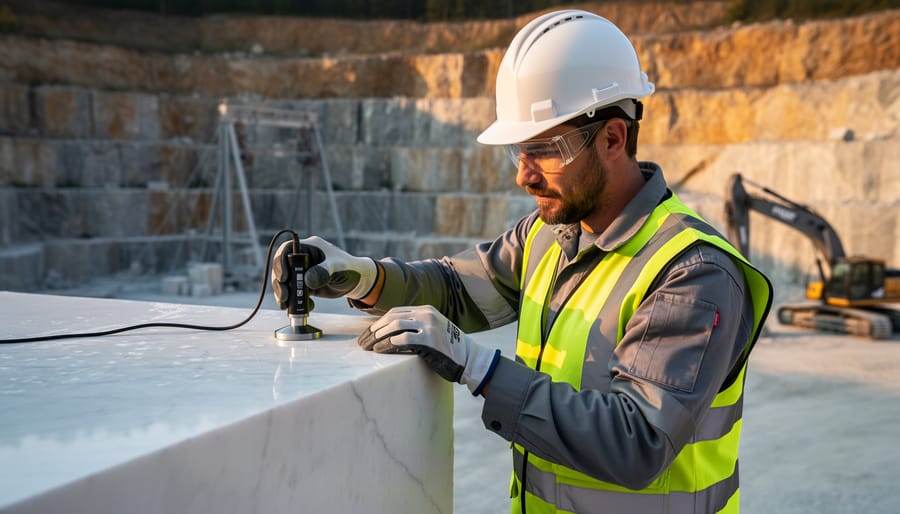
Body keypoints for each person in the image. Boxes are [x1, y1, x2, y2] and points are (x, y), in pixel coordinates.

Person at [272, 9, 772, 514]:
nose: (524, 176)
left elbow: (637, 442)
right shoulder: (549, 236)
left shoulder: (692, 271)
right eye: (518, 151)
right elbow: (456, 289)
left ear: (614, 138)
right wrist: (366, 277)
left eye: (544, 150)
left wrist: (482, 369)